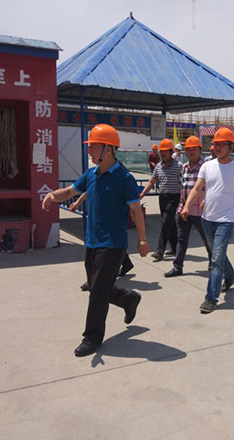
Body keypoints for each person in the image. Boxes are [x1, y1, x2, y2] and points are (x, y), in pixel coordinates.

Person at [42, 124, 149, 356]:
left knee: (97, 293)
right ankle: (128, 299)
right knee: (96, 287)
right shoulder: (91, 174)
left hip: (113, 243)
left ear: (108, 149)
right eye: (89, 146)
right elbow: (70, 191)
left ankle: (92, 337)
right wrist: (52, 195)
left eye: (93, 146)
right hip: (92, 241)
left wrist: (142, 240)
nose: (89, 150)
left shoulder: (125, 178)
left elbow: (135, 210)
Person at [181, 127, 234, 314]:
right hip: (206, 219)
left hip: (225, 221)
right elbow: (197, 188)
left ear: (231, 146)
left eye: (223, 144)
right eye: (216, 144)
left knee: (215, 260)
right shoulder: (207, 166)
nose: (218, 147)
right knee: (217, 254)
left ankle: (210, 298)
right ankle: (229, 276)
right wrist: (187, 205)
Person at [164, 136, 212, 277]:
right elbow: (183, 185)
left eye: (194, 149)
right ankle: (177, 267)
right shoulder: (184, 167)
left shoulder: (206, 167)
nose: (191, 152)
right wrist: (181, 202)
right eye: (188, 149)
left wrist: (207, 200)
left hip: (200, 211)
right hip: (184, 209)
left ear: (200, 150)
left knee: (207, 239)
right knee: (181, 239)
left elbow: (212, 187)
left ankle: (213, 261)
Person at [68, 193, 135, 291]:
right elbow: (90, 190)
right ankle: (92, 281)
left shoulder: (120, 184)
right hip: (99, 218)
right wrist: (78, 202)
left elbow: (132, 204)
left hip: (112, 219)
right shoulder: (96, 183)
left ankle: (94, 282)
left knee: (109, 248)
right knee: (102, 249)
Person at [140, 138, 182, 262]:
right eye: (161, 151)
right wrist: (142, 193)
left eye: (165, 151)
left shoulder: (179, 166)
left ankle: (159, 251)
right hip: (162, 198)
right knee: (170, 223)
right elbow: (152, 181)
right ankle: (175, 247)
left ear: (171, 152)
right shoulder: (158, 166)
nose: (162, 153)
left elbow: (184, 182)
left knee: (165, 223)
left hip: (174, 198)